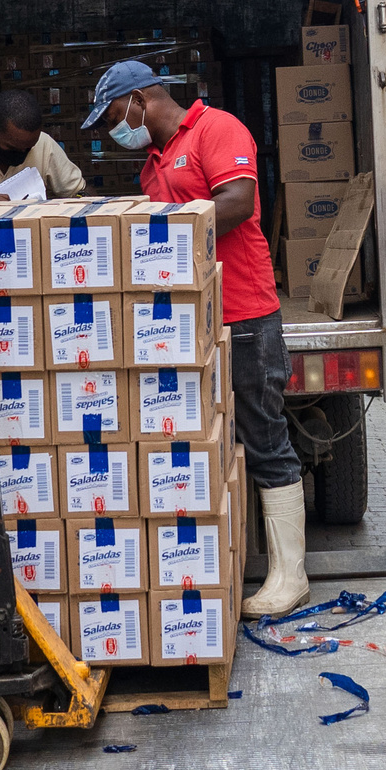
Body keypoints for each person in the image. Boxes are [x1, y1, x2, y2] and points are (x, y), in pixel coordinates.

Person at [84, 60, 301, 615]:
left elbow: (237, 203)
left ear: (139, 100)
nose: (115, 131)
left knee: (263, 436)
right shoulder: (152, 164)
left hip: (245, 314)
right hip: (191, 325)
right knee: (212, 443)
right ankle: (235, 564)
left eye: (114, 117)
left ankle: (290, 576)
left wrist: (161, 234)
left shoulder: (216, 129)